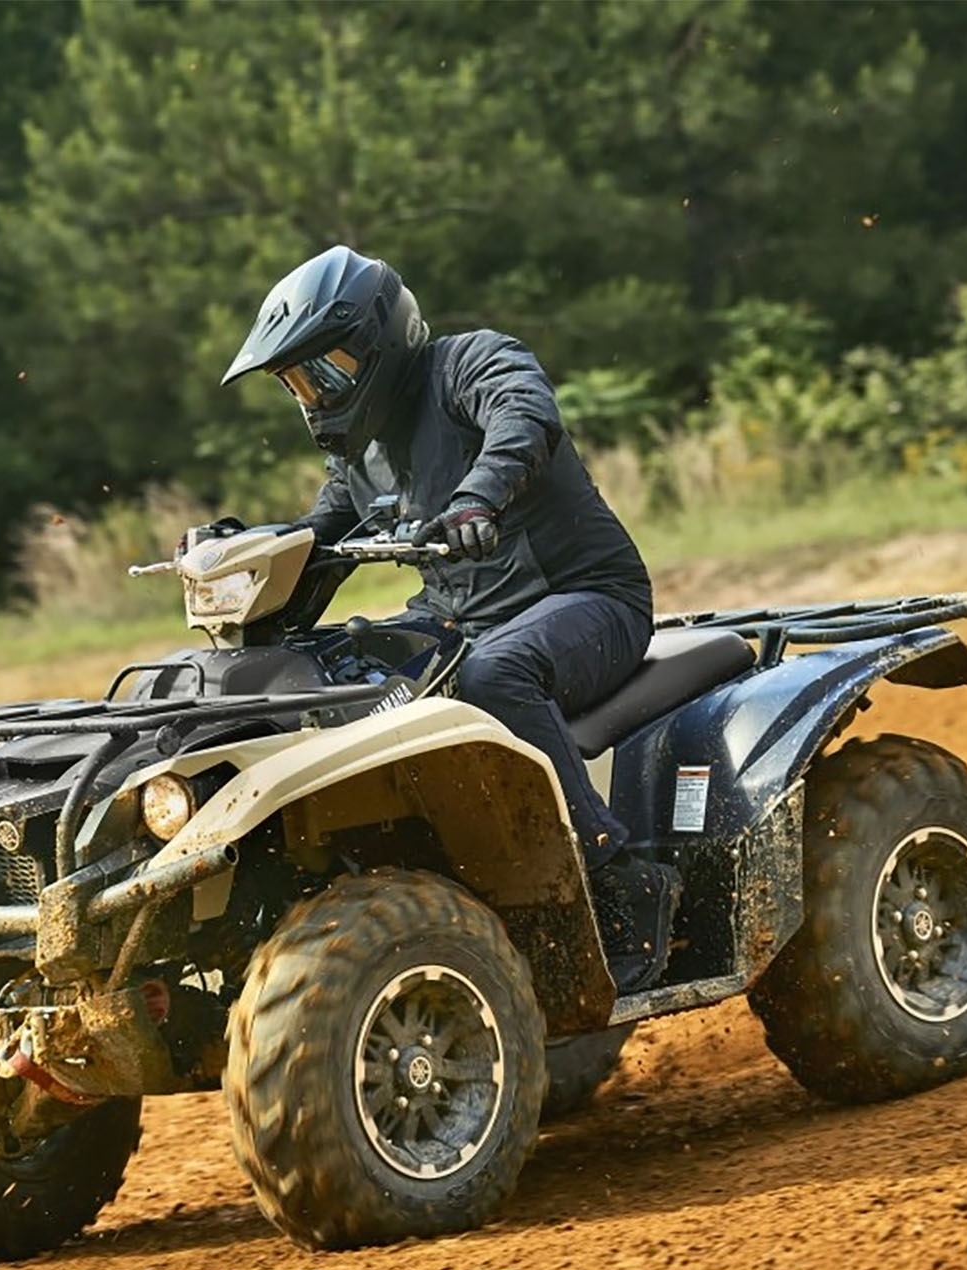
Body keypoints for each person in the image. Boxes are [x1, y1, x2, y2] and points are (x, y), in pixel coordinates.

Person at [222, 244, 677, 991]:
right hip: (459, 620)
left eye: (325, 370)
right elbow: (318, 540)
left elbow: (525, 415)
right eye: (298, 381)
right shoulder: (360, 453)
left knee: (496, 678)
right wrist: (243, 557)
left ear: (378, 340)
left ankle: (618, 876)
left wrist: (478, 496)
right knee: (337, 680)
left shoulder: (468, 363)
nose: (313, 394)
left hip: (586, 598)